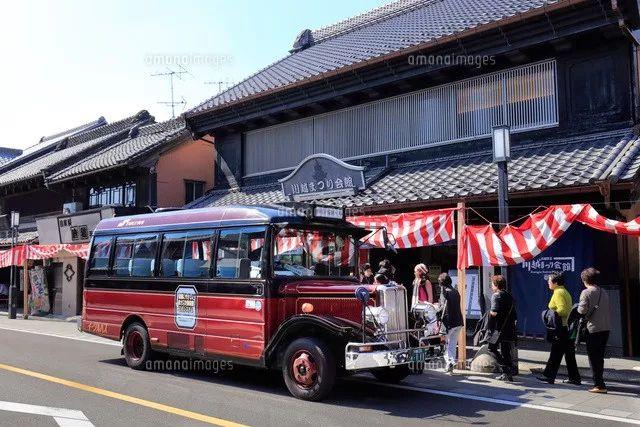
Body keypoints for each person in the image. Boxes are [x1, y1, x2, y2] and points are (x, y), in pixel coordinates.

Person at [537, 272, 581, 385]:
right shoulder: (564, 291)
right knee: (569, 354)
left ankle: (549, 376)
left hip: (560, 328)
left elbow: (563, 310)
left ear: (555, 283)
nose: (548, 282)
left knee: (555, 353)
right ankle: (574, 378)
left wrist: (551, 313)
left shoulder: (558, 293)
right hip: (566, 328)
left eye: (549, 280)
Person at [578, 267, 611, 394]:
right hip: (605, 327)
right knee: (600, 357)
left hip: (593, 329)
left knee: (593, 357)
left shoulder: (586, 292)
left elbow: (582, 311)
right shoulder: (604, 292)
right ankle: (600, 381)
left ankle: (599, 384)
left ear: (584, 280)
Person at [487, 274, 517, 382]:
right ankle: (507, 373)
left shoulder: (496, 295)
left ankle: (505, 368)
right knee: (505, 350)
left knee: (491, 348)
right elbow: (514, 315)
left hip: (498, 329)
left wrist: (489, 316)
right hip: (509, 328)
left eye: (492, 284)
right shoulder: (509, 295)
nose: (491, 286)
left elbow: (494, 312)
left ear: (496, 285)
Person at [438, 273, 464, 374]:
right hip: (458, 321)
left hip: (448, 322)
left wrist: (436, 311)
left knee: (445, 344)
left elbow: (442, 308)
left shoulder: (445, 292)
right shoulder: (456, 291)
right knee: (452, 344)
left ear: (441, 284)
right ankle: (451, 363)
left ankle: (449, 363)